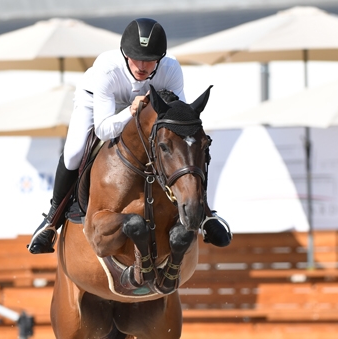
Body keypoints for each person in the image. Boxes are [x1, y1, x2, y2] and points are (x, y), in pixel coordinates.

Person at [27, 17, 232, 254]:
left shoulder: (171, 68)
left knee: (185, 149)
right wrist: (130, 111)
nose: (143, 67)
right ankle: (52, 220)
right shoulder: (107, 68)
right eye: (137, 59)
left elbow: (179, 122)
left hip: (143, 108)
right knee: (74, 152)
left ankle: (205, 214)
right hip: (98, 102)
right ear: (125, 55)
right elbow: (103, 128)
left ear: (160, 59)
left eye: (150, 61)